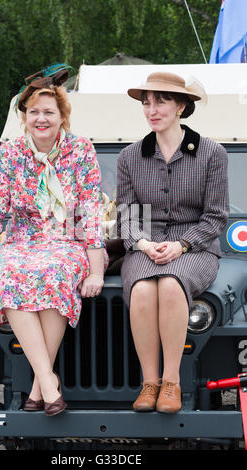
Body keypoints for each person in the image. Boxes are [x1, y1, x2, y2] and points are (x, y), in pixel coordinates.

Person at [0, 65, 107, 416]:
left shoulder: (81, 150)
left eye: (48, 112)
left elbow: (90, 215)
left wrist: (95, 272)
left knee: (56, 270)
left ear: (61, 116)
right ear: (25, 117)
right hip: (21, 240)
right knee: (11, 272)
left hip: (68, 242)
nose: (41, 119)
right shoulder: (10, 154)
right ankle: (49, 384)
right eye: (34, 111)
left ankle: (40, 386)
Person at [117, 72, 229, 413]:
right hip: (145, 247)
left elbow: (215, 217)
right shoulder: (129, 157)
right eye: (147, 102)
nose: (152, 109)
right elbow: (126, 216)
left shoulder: (212, 153)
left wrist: (182, 245)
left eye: (161, 101)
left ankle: (172, 382)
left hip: (196, 247)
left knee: (169, 285)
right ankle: (149, 383)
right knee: (140, 289)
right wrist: (142, 243)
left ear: (181, 106)